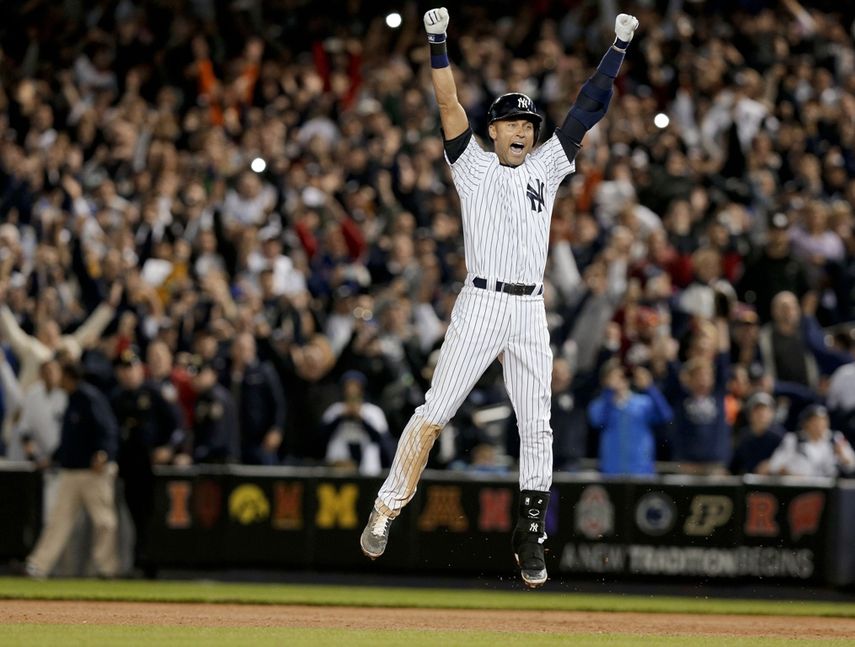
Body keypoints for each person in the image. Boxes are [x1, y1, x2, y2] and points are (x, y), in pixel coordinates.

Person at [359, 7, 639, 588]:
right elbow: (447, 105)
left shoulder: (547, 166)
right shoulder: (473, 168)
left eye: (529, 124)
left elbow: (587, 107)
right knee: (435, 413)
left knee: (538, 425)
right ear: (493, 129)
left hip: (530, 307)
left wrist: (616, 48)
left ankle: (529, 536)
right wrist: (437, 42)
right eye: (512, 122)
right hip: (482, 303)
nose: (523, 130)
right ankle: (386, 508)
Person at [24, 359, 120, 579]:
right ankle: (38, 565)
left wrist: (104, 453)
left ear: (68, 376)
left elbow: (109, 429)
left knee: (104, 521)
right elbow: (70, 440)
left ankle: (106, 569)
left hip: (93, 472)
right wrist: (54, 458)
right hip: (71, 471)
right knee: (58, 520)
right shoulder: (71, 398)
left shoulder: (89, 397)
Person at [110, 347, 184, 577]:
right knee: (133, 517)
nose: (128, 373)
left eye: (131, 368)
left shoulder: (153, 392)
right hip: (128, 467)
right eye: (123, 369)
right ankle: (138, 561)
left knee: (152, 516)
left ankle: (153, 563)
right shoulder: (117, 398)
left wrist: (169, 449)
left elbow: (178, 426)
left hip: (153, 468)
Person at [588, 362, 673, 476]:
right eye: (613, 377)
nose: (619, 381)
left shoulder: (643, 402)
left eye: (622, 376)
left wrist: (649, 387)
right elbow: (599, 421)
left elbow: (665, 415)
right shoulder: (598, 405)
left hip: (641, 470)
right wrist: (609, 392)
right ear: (604, 381)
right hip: (611, 471)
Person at [320, 370, 393, 475]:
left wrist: (361, 419)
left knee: (371, 452)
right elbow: (322, 438)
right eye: (348, 386)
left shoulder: (373, 411)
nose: (352, 390)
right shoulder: (335, 410)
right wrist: (342, 417)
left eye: (356, 386)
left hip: (368, 463)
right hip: (340, 464)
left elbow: (381, 440)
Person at [766, 404, 855, 478]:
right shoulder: (794, 439)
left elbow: (851, 465)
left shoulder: (835, 438)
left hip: (830, 489)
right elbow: (775, 465)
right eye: (815, 421)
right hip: (802, 488)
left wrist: (842, 455)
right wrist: (789, 473)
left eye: (823, 421)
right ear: (806, 423)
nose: (819, 425)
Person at [729, 392, 785, 475]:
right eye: (757, 410)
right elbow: (734, 465)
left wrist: (772, 465)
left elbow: (789, 461)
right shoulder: (743, 437)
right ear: (749, 414)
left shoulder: (780, 436)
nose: (761, 414)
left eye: (765, 410)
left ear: (772, 414)